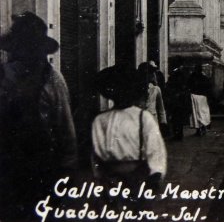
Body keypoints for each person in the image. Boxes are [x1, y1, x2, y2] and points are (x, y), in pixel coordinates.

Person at [0, 12, 77, 221]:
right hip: (35, 170)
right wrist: (67, 173)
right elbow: (66, 131)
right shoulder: (52, 78)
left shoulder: (49, 78)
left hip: (15, 171)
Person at [91, 64, 166, 206]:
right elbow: (97, 154)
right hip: (111, 178)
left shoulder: (142, 118)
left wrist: (155, 174)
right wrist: (100, 177)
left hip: (136, 175)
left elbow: (155, 148)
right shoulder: (101, 120)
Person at [138, 63, 167, 133]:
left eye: (150, 74)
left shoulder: (156, 89)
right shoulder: (136, 89)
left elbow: (161, 108)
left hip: (152, 119)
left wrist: (163, 122)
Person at [164, 68, 191, 140]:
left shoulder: (174, 82)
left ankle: (177, 134)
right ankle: (179, 134)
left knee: (175, 119)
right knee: (179, 119)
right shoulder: (182, 84)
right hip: (180, 103)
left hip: (176, 103)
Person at [188, 64, 212, 136]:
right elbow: (208, 87)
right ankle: (203, 127)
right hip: (202, 97)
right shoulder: (204, 78)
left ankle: (199, 129)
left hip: (195, 96)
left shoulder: (192, 77)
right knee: (202, 112)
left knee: (196, 114)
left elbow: (189, 85)